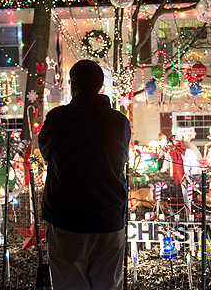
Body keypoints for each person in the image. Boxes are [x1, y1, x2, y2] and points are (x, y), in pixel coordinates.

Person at [39, 59, 131, 289]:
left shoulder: (58, 119)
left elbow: (46, 152)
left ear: (73, 84)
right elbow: (121, 159)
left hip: (67, 215)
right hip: (109, 216)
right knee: (108, 284)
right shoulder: (118, 122)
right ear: (100, 85)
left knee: (69, 282)